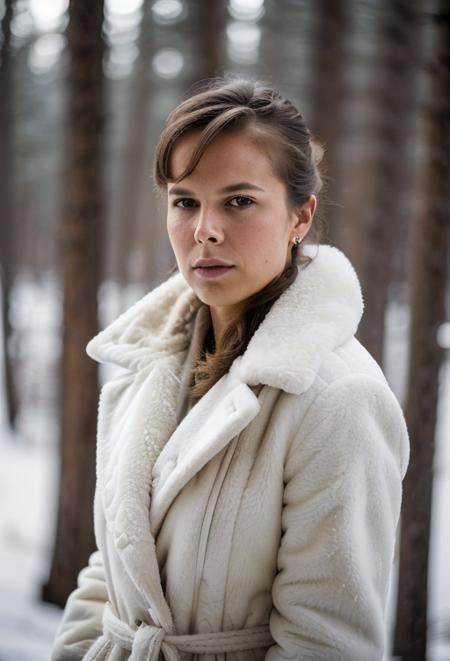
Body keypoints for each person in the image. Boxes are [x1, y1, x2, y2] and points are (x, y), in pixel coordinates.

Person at [50, 76, 410, 661]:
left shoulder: (340, 400)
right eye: (184, 201)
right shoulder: (149, 363)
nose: (205, 231)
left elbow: (326, 644)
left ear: (300, 217)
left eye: (238, 202)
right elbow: (114, 570)